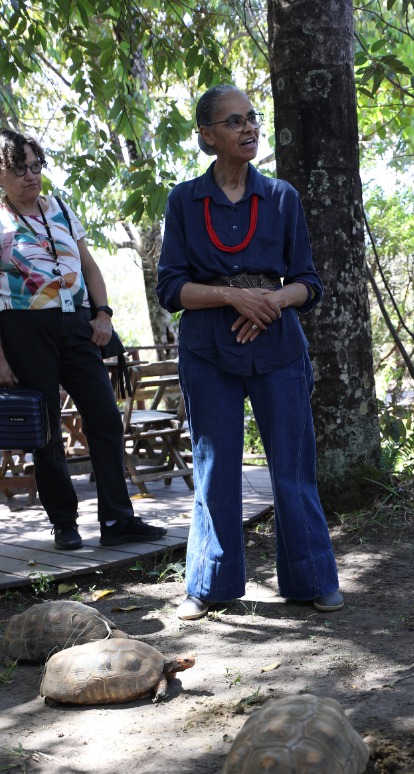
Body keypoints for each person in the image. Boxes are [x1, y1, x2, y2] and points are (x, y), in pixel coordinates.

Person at [156, 84, 343, 621]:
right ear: (207, 136)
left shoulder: (282, 197)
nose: (248, 129)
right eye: (234, 122)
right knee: (216, 469)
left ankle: (312, 577)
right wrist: (233, 296)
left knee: (293, 466)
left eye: (252, 118)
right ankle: (210, 585)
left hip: (279, 347)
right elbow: (172, 288)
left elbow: (308, 281)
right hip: (208, 349)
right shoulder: (183, 201)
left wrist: (271, 300)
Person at [0, 127, 166, 550]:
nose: (30, 176)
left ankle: (116, 519)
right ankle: (65, 523)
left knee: (106, 417)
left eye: (36, 167)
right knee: (48, 429)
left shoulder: (59, 209)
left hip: (76, 324)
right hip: (22, 329)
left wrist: (104, 314)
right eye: (19, 168)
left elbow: (89, 267)